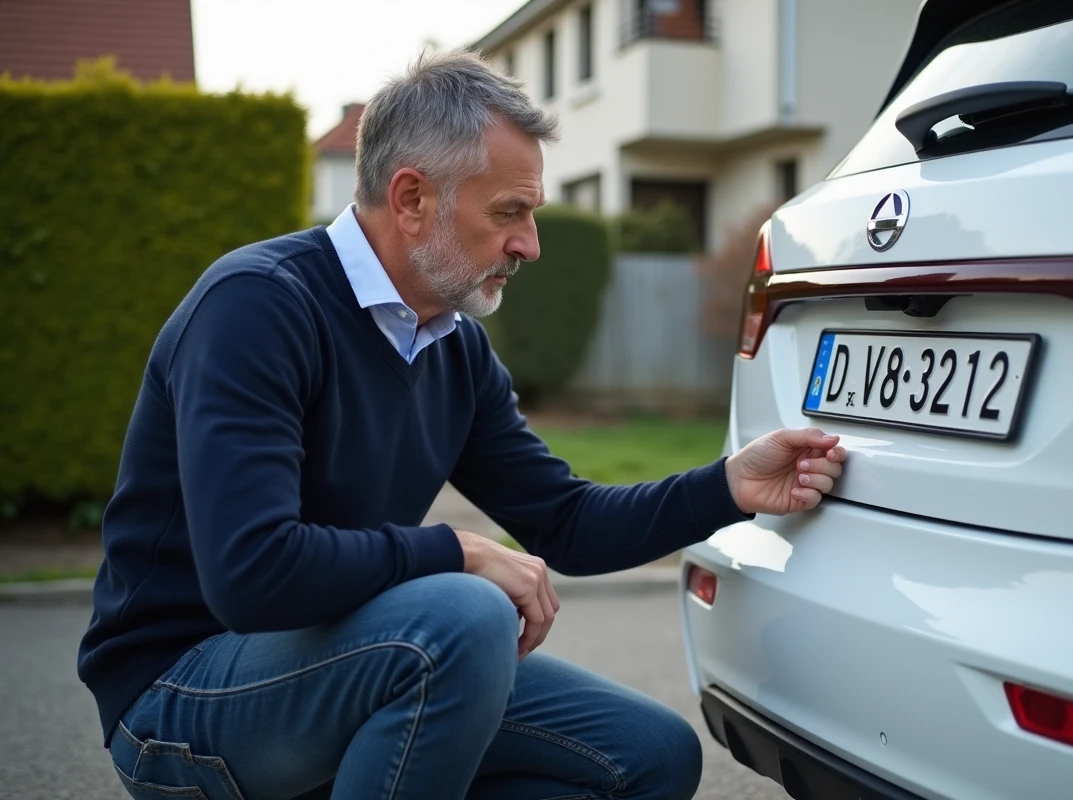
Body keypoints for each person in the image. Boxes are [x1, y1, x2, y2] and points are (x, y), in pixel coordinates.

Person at [78, 49, 847, 800]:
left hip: (349, 661)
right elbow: (253, 575)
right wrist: (458, 552)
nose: (531, 245)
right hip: (180, 696)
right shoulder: (258, 306)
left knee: (648, 756)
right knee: (464, 615)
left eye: (532, 214)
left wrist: (729, 486)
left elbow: (567, 522)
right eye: (509, 213)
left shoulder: (452, 345)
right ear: (412, 199)